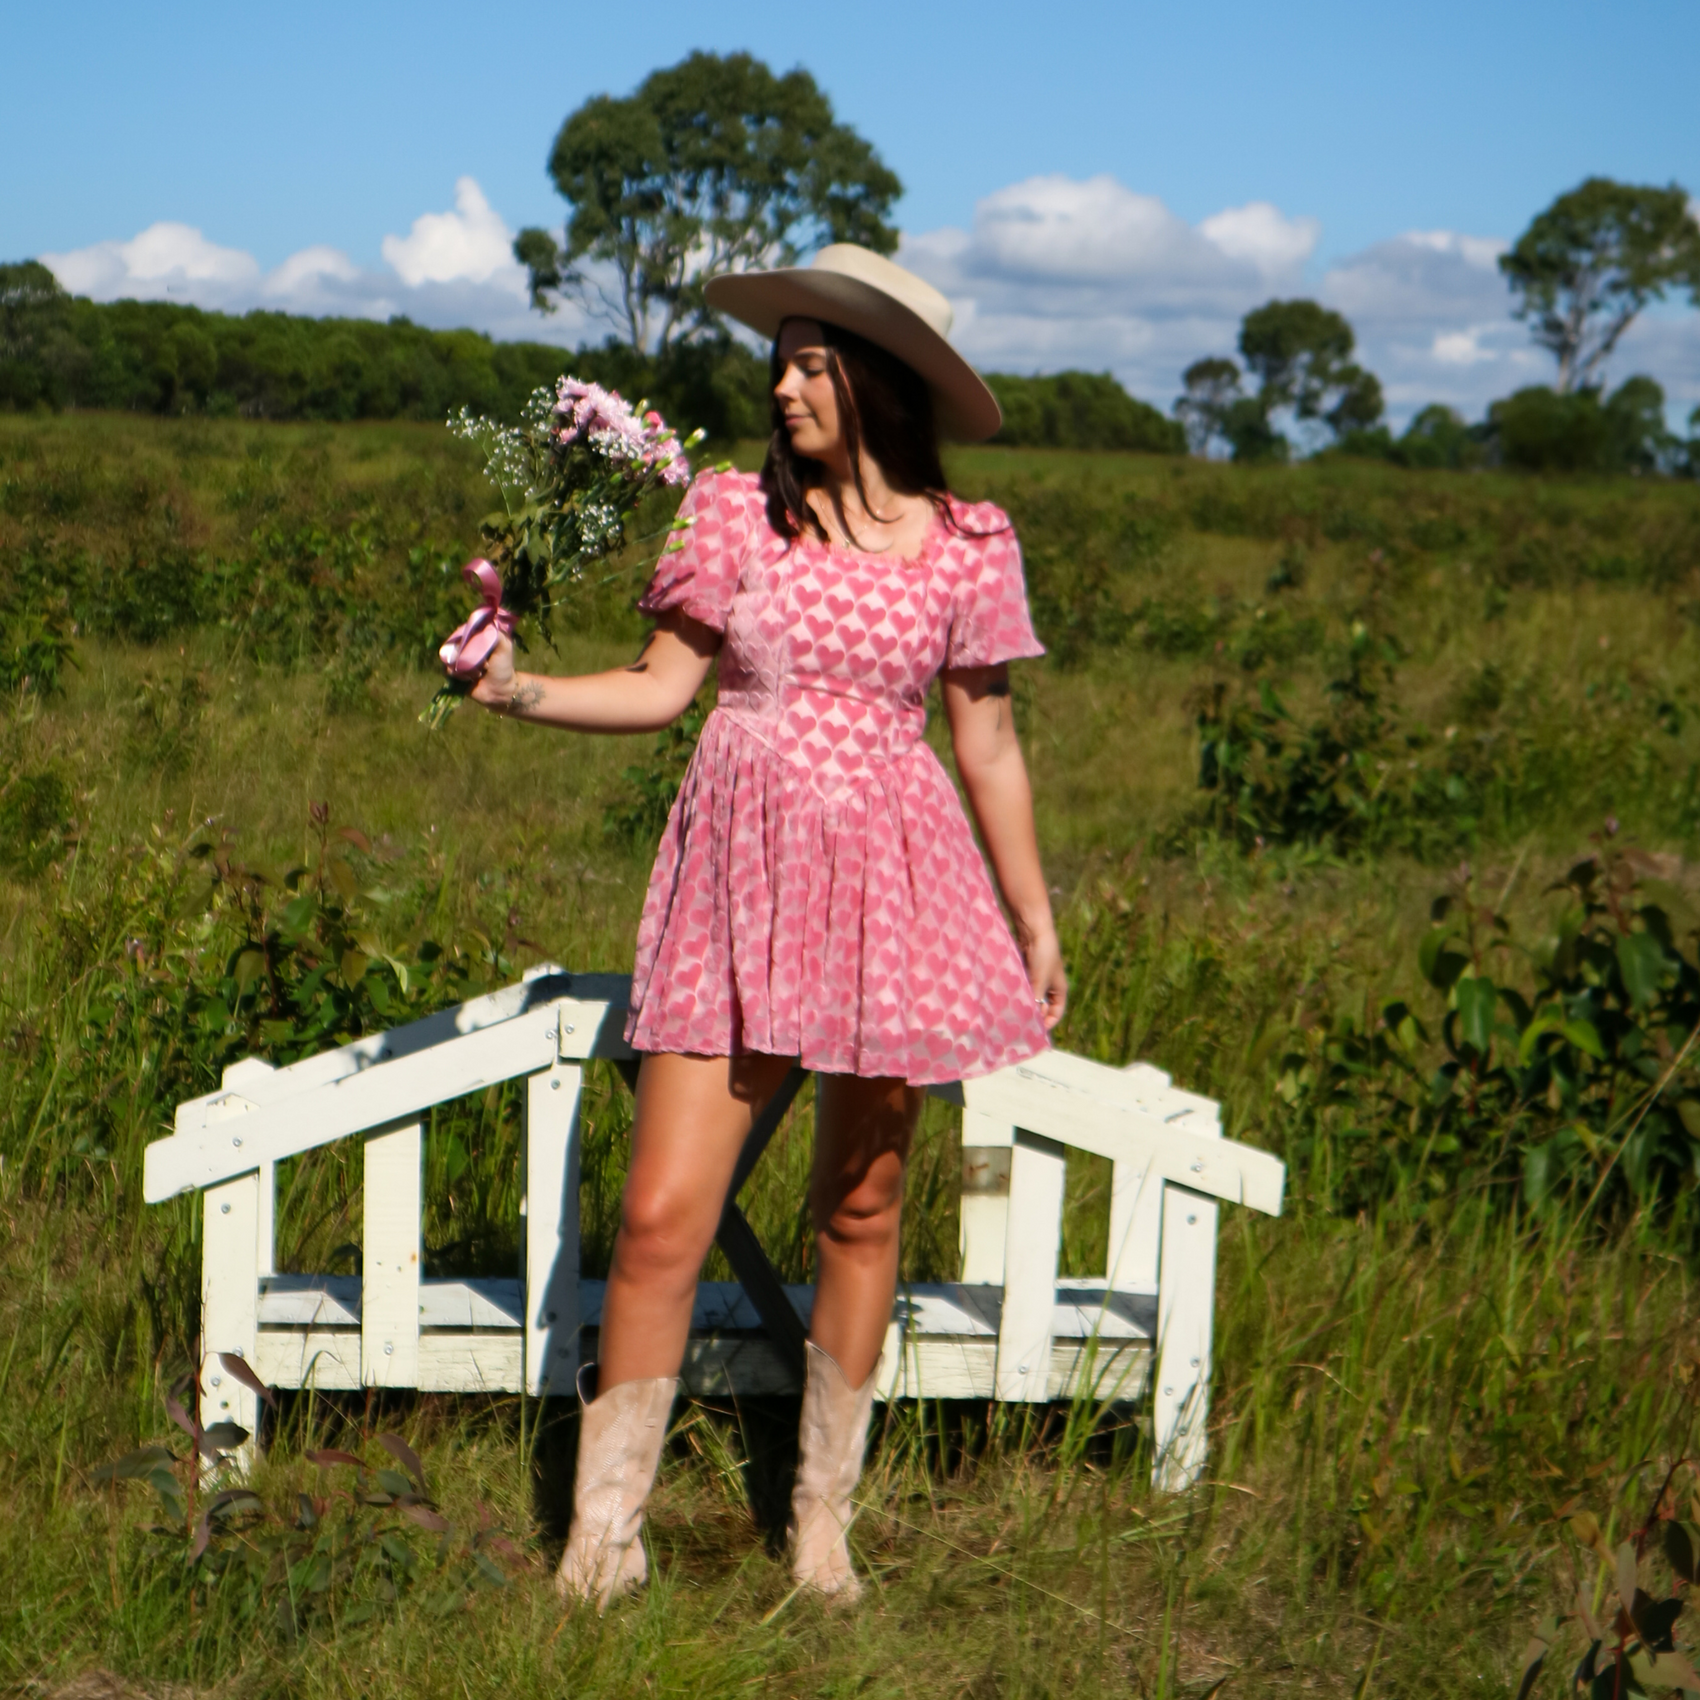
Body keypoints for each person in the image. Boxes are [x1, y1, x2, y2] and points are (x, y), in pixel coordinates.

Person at [466, 243, 1066, 1608]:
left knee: (862, 1208)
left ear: (879, 380)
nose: (782, 385)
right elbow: (659, 686)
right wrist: (519, 692)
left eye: (811, 362)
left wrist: (1033, 916)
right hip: (738, 889)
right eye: (780, 360)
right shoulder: (735, 513)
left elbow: (990, 744)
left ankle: (821, 1527)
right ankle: (602, 1542)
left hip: (892, 892)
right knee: (663, 1215)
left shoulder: (970, 544)